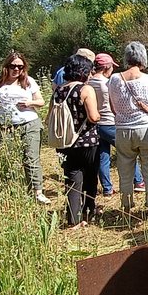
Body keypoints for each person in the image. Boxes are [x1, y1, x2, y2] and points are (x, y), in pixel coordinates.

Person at [0, 51, 50, 205]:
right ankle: (9, 189)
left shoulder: (28, 81)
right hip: (5, 126)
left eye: (20, 67)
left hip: (29, 123)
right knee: (7, 157)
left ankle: (37, 192)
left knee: (31, 158)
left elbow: (41, 101)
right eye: (13, 66)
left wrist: (29, 103)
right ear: (6, 66)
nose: (16, 69)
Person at [108, 41, 148, 222]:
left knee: (125, 171)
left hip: (123, 130)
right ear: (143, 58)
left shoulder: (114, 79)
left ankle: (126, 210)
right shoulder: (147, 79)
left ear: (126, 58)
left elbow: (113, 108)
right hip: (147, 129)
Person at [50, 54, 102, 229]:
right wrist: (100, 115)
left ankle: (73, 219)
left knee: (72, 179)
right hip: (86, 141)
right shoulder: (85, 90)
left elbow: (50, 116)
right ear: (84, 71)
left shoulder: (58, 90)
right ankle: (89, 209)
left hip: (65, 142)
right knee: (90, 177)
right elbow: (93, 117)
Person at [88, 53, 143, 197]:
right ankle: (138, 181)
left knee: (103, 156)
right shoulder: (107, 84)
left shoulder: (89, 83)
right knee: (128, 151)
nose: (112, 69)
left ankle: (107, 188)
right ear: (106, 67)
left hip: (96, 124)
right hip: (110, 123)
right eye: (111, 66)